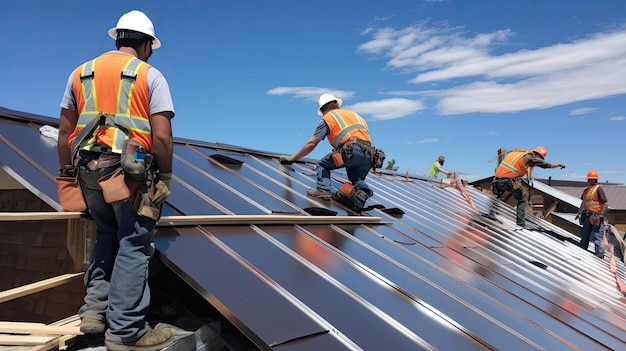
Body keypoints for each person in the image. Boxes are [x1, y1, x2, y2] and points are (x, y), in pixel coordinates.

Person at [57, 10, 175, 350]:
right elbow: (163, 137)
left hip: (86, 169)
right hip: (128, 174)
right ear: (147, 44)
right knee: (135, 243)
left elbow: (65, 129)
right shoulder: (150, 75)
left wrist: (67, 171)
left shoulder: (80, 73)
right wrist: (164, 176)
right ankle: (126, 332)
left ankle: (93, 314)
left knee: (106, 234)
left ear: (118, 38)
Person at [279, 93, 375, 211]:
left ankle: (323, 190)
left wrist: (295, 156)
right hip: (369, 154)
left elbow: (312, 143)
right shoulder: (356, 116)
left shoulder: (329, 118)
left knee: (323, 164)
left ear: (324, 109)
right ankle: (362, 193)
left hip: (352, 149)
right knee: (356, 180)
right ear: (336, 105)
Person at [492, 146, 565, 227]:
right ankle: (521, 223)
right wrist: (557, 165)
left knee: (498, 196)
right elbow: (545, 165)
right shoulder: (530, 157)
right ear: (539, 156)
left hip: (496, 181)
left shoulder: (518, 154)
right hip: (508, 181)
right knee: (522, 199)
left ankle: (491, 213)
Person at [577, 170, 609, 258]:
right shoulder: (586, 190)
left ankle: (600, 253)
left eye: (592, 179)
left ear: (595, 180)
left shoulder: (598, 188)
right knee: (585, 233)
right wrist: (579, 212)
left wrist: (600, 214)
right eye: (589, 179)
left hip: (596, 215)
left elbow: (604, 204)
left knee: (597, 235)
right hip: (588, 215)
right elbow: (583, 203)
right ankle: (582, 249)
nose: (590, 180)